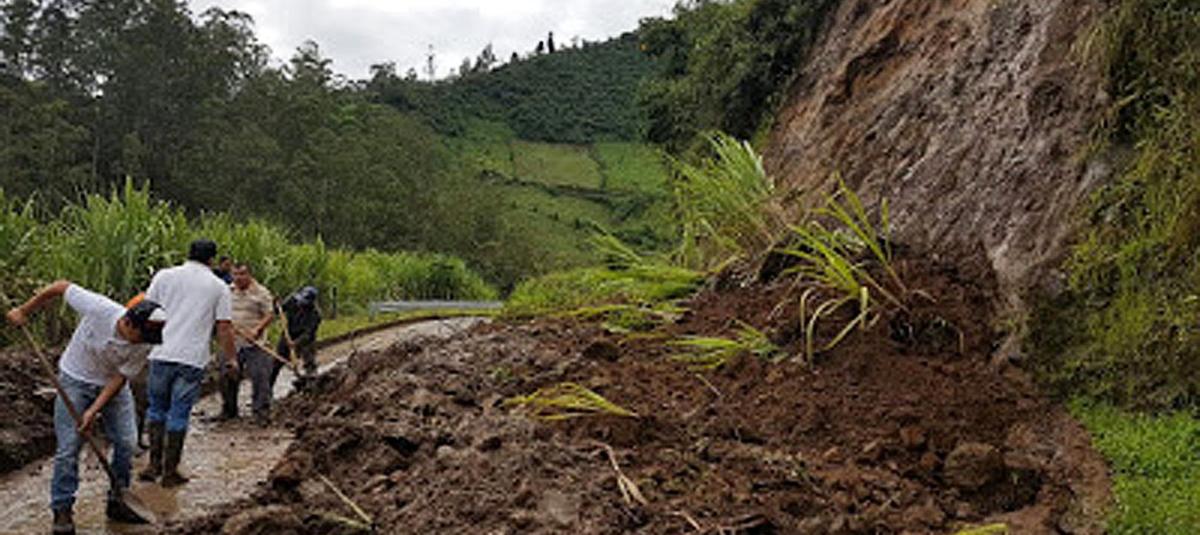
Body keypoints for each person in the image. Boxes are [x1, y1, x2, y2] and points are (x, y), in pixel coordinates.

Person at [5, 280, 167, 534]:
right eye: (141, 336)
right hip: (75, 381)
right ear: (128, 322)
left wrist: (93, 411)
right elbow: (61, 287)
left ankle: (118, 499)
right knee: (69, 448)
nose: (144, 342)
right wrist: (24, 310)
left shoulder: (146, 342)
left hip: (113, 387)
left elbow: (120, 378)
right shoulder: (99, 308)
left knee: (127, 442)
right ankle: (62, 510)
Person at [138, 239, 237, 487]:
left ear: (189, 254)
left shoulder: (164, 276)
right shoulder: (218, 286)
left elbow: (146, 310)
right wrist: (231, 358)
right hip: (191, 359)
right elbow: (224, 327)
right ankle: (170, 472)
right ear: (211, 259)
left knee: (156, 410)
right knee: (179, 413)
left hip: (160, 353)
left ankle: (153, 465)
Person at [220, 262, 275, 426]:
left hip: (255, 343)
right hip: (232, 343)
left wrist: (257, 329)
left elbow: (270, 315)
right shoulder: (227, 291)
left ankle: (261, 412)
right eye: (235, 274)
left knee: (260, 376)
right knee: (226, 375)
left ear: (250, 275)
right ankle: (229, 410)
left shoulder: (261, 293)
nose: (238, 278)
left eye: (242, 274)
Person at [275, 286, 321, 383]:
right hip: (289, 333)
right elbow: (278, 310)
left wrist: (295, 343)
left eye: (305, 303)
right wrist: (275, 303)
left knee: (309, 359)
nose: (301, 304)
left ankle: (311, 381)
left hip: (305, 338)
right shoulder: (292, 300)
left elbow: (308, 334)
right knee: (277, 362)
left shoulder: (315, 315)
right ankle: (267, 388)